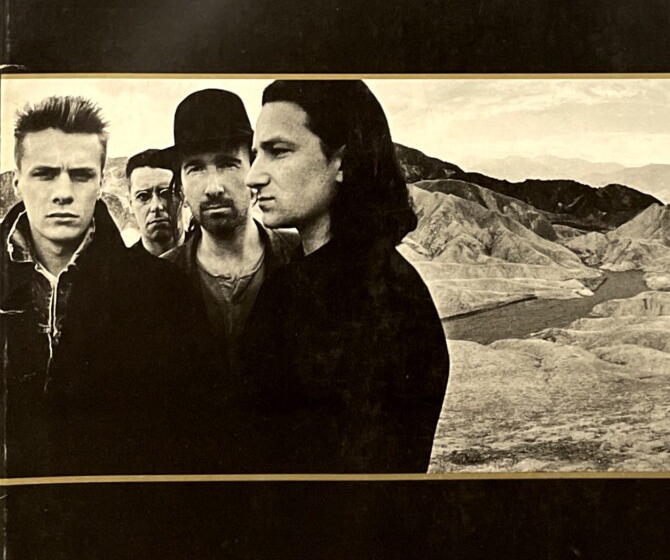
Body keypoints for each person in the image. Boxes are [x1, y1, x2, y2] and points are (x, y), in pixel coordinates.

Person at [241, 79, 449, 474]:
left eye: (278, 151)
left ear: (341, 161)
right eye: (255, 155)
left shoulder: (386, 300)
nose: (253, 177)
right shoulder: (297, 281)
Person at [0, 95, 212, 477]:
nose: (63, 192)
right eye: (44, 173)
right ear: (17, 182)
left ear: (100, 182)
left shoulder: (163, 290)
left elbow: (189, 441)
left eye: (81, 175)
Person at [161, 89, 298, 369]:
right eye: (195, 168)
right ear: (181, 185)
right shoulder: (160, 278)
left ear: (253, 168)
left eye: (227, 164)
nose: (214, 188)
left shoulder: (300, 256)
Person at [126, 147, 181, 256]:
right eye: (143, 196)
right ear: (130, 203)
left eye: (166, 194)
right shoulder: (121, 265)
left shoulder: (207, 257)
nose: (156, 206)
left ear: (182, 196)